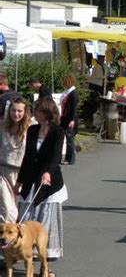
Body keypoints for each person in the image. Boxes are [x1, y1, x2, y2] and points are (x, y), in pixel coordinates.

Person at [16, 97, 68, 275]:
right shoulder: (32, 130)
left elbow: (55, 157)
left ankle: (46, 267)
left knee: (44, 226)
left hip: (48, 185)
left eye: (37, 110)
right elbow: (27, 158)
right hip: (31, 181)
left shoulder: (58, 132)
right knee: (25, 222)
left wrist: (48, 172)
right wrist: (19, 181)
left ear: (46, 113)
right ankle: (25, 262)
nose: (34, 114)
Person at [0, 97, 30, 222]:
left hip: (22, 173)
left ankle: (16, 238)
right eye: (13, 110)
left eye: (19, 111)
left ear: (25, 112)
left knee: (20, 209)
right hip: (3, 171)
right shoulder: (2, 126)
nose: (16, 114)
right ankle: (5, 239)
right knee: (7, 208)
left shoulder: (31, 127)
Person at [60, 75, 79, 165]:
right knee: (65, 138)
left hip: (70, 119)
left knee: (69, 139)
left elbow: (74, 108)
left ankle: (70, 159)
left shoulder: (73, 93)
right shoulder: (67, 92)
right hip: (64, 117)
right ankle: (66, 158)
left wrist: (72, 120)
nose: (62, 84)